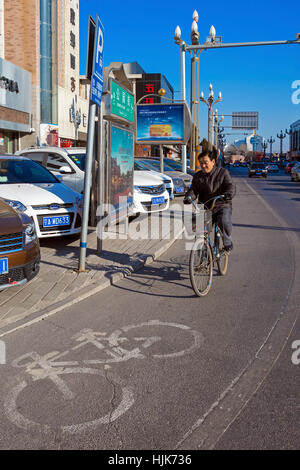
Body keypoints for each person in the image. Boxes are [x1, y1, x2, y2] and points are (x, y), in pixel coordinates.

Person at [184, 148, 235, 251]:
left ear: (213, 162)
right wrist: (189, 197)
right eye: (201, 163)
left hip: (222, 204)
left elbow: (230, 185)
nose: (203, 165)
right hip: (205, 206)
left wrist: (228, 194)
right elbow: (194, 189)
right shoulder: (197, 176)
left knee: (224, 221)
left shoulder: (223, 172)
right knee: (198, 230)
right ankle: (201, 257)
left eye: (205, 162)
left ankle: (227, 242)